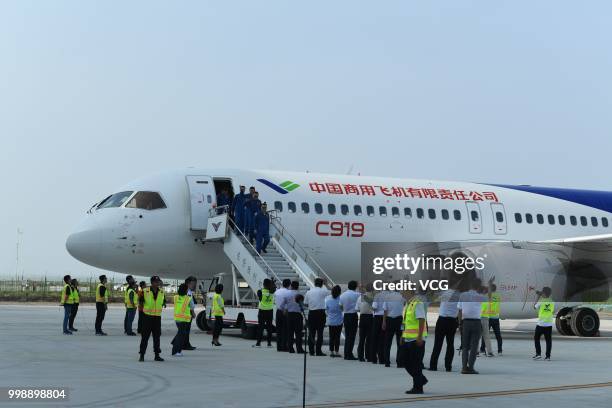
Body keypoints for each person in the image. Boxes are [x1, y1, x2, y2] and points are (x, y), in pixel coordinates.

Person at [457, 278, 491, 374]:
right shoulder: (479, 296)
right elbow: (490, 298)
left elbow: (459, 310)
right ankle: (470, 367)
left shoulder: (463, 295)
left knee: (465, 347)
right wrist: (489, 286)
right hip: (476, 323)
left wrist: (460, 324)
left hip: (465, 322)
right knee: (474, 347)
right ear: (478, 287)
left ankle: (464, 368)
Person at [400, 289, 428, 394]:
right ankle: (421, 380)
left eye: (403, 292)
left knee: (416, 364)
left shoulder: (417, 303)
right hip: (408, 338)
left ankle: (418, 387)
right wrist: (402, 335)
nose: (402, 293)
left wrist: (420, 337)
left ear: (410, 292)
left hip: (416, 339)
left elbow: (421, 320)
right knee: (405, 361)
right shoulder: (408, 304)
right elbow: (405, 322)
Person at [428, 284, 460, 372]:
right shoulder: (460, 295)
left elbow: (432, 299)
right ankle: (448, 366)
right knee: (450, 344)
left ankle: (433, 365)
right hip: (452, 321)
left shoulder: (444, 293)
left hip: (442, 320)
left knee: (437, 344)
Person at [139, 276, 166, 362]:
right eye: (156, 282)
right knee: (145, 337)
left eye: (158, 281)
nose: (158, 283)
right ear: (152, 282)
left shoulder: (161, 292)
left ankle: (157, 355)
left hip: (157, 317)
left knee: (157, 337)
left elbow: (163, 301)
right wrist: (143, 314)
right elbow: (140, 302)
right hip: (147, 317)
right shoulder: (144, 291)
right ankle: (142, 355)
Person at [304, 278, 330, 356]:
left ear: (315, 283)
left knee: (311, 333)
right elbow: (330, 291)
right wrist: (326, 284)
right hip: (321, 313)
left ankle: (311, 351)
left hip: (311, 313)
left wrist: (312, 305)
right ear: (322, 284)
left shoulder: (308, 292)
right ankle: (318, 351)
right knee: (320, 333)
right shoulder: (323, 291)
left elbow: (305, 304)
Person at [382, 288, 406, 367]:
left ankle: (387, 362)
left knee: (387, 342)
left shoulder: (388, 296)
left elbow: (385, 310)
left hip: (389, 320)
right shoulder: (402, 297)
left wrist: (384, 322)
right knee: (400, 342)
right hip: (399, 320)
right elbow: (404, 305)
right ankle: (399, 362)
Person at [339, 280, 360, 360]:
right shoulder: (357, 295)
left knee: (347, 335)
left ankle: (346, 353)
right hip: (353, 315)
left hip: (346, 315)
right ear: (355, 286)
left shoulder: (342, 295)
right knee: (352, 336)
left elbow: (340, 307)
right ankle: (349, 354)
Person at [533, 287, 554, 361]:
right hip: (549, 324)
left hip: (541, 324)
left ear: (544, 293)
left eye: (542, 292)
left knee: (536, 338)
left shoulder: (541, 301)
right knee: (548, 341)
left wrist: (538, 296)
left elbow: (534, 307)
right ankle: (547, 356)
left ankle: (538, 354)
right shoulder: (552, 301)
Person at [172, 283, 192, 357]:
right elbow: (192, 307)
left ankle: (174, 345)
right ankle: (176, 351)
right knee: (181, 336)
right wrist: (193, 314)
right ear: (185, 290)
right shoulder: (188, 298)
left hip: (177, 319)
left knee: (180, 334)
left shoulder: (175, 297)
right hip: (184, 319)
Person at [253, 278, 275, 348]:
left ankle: (258, 343)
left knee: (260, 328)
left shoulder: (260, 291)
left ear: (263, 284)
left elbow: (260, 298)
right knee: (269, 328)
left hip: (262, 311)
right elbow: (273, 288)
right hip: (270, 311)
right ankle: (269, 344)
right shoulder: (272, 291)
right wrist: (272, 283)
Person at [285, 281, 305, 354]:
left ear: (291, 286)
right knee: (298, 333)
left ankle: (290, 349)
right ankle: (299, 349)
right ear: (298, 286)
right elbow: (302, 305)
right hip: (298, 315)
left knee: (290, 332)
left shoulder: (287, 294)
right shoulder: (300, 294)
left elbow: (283, 304)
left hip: (290, 315)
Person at [357, 284, 374, 362]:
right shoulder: (374, 297)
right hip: (370, 318)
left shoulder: (360, 297)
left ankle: (360, 356)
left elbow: (356, 308)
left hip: (362, 317)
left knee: (362, 338)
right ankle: (369, 355)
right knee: (369, 339)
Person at [326, 285, 343, 357]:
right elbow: (342, 309)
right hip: (339, 320)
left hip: (331, 320)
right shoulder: (341, 299)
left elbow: (326, 308)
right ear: (339, 292)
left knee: (331, 337)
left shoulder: (328, 299)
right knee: (337, 337)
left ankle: (331, 351)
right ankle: (337, 351)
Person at [370, 289, 387, 364]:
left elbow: (374, 307)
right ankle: (382, 358)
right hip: (385, 317)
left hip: (377, 318)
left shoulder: (377, 295)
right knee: (382, 339)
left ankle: (373, 358)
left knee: (374, 338)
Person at [275, 279, 292, 352]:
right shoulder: (288, 292)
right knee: (285, 330)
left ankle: (279, 347)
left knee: (278, 330)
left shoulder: (277, 291)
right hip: (285, 312)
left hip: (278, 311)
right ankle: (284, 346)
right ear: (289, 284)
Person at [479, 286, 494, 357]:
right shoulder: (487, 298)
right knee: (487, 336)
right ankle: (489, 352)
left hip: (478, 318)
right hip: (485, 318)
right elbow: (490, 295)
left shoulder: (478, 297)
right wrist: (490, 285)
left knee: (477, 336)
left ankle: (476, 352)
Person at [183, 276, 197, 350]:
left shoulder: (186, 291)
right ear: (188, 283)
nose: (194, 285)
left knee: (184, 329)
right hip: (187, 312)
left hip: (185, 312)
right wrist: (193, 312)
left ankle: (184, 343)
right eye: (193, 283)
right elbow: (190, 302)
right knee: (186, 329)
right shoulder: (188, 292)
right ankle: (185, 344)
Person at [488, 284, 503, 355]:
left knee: (485, 335)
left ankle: (482, 349)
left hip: (489, 318)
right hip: (496, 318)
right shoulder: (498, 296)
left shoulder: (488, 296)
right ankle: (500, 351)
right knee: (498, 336)